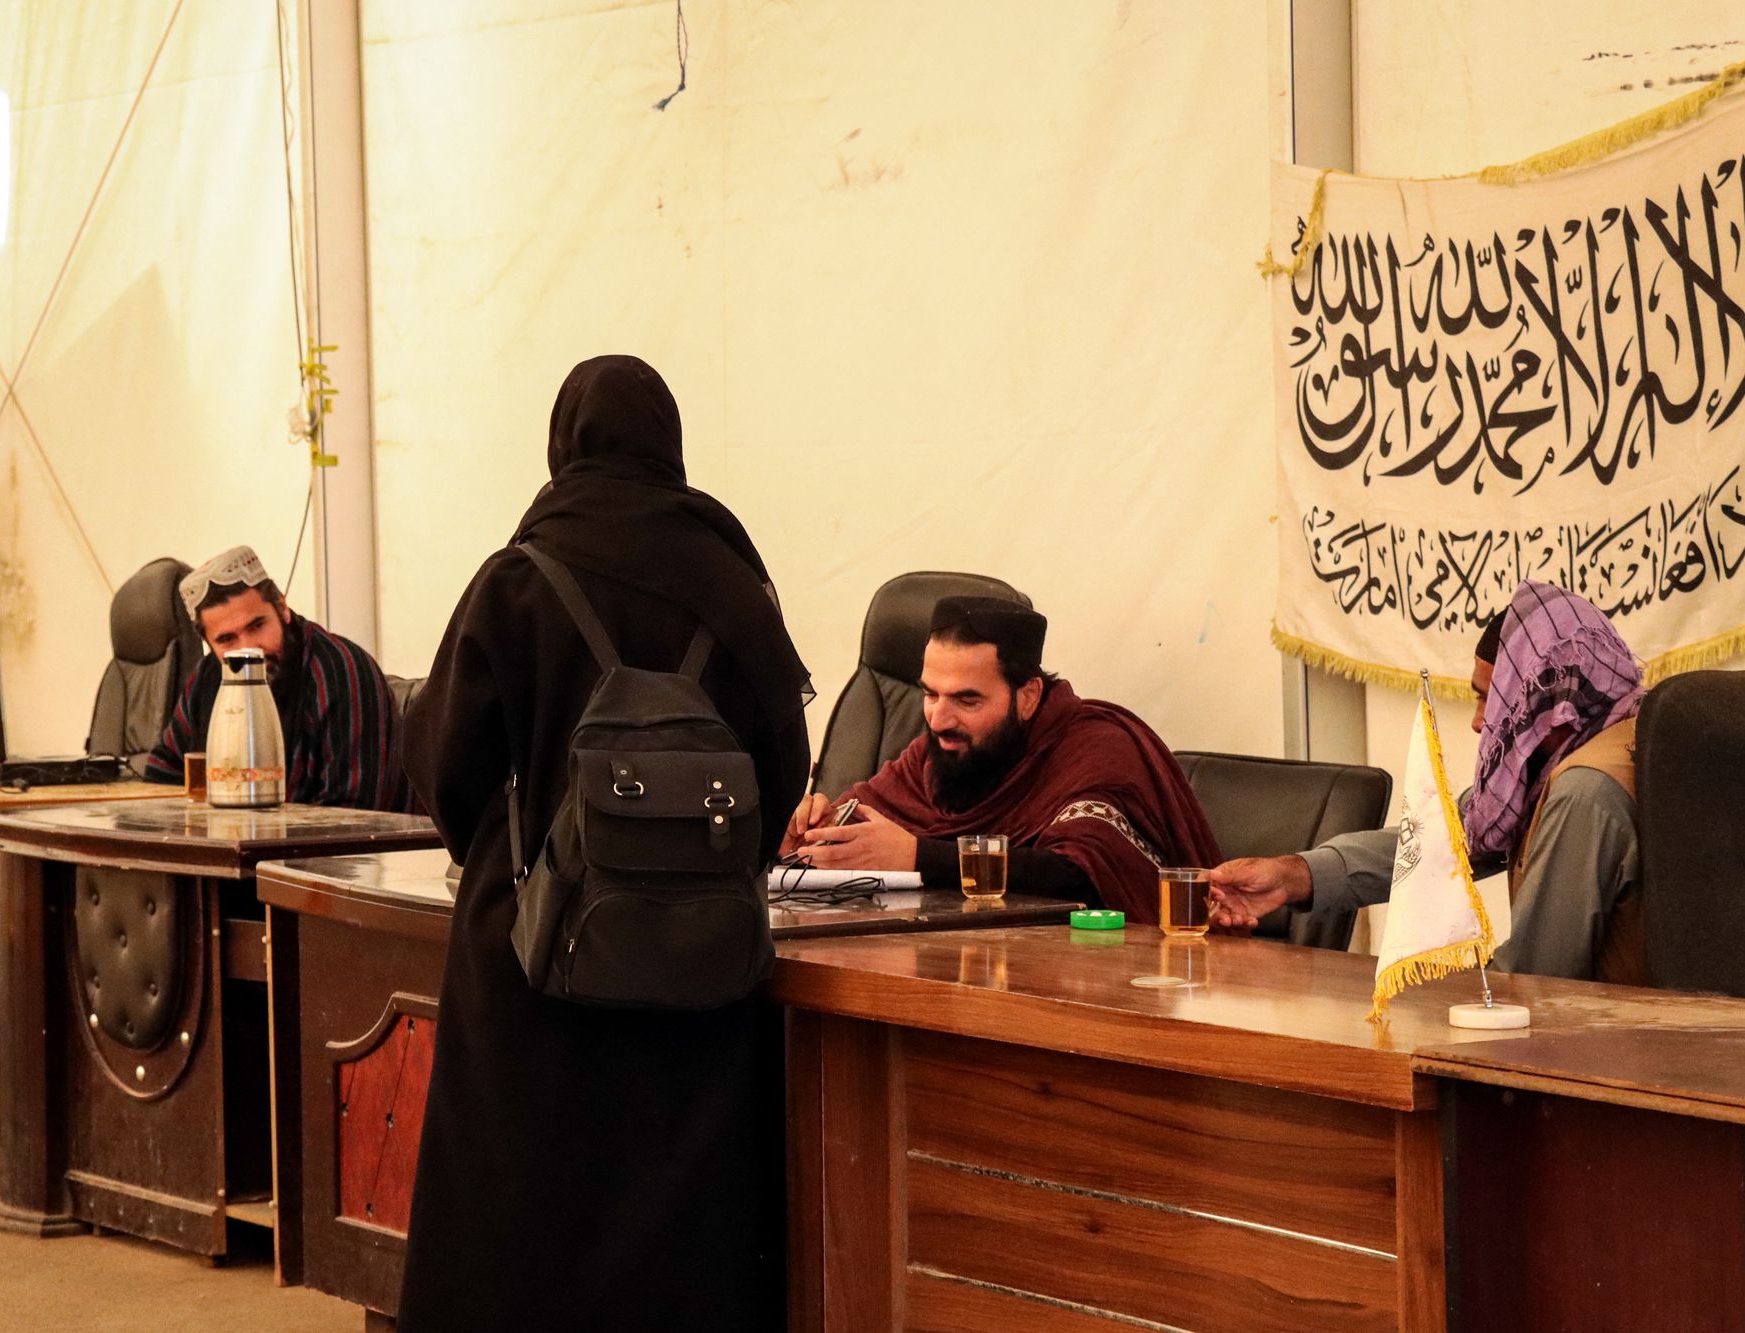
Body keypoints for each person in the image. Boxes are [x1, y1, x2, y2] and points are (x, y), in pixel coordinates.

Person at [397, 356, 812, 1332]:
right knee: (683, 1233)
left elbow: (443, 760)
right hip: (698, 965)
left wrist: (511, 851)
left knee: (518, 1222)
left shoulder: (519, 576)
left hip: (529, 961)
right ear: (668, 445)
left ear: (562, 442)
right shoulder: (731, 579)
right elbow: (782, 764)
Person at [1209, 581, 1646, 982]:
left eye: (1493, 702)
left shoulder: (1584, 790)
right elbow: (1443, 842)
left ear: (1554, 695)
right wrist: (1290, 876)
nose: (1480, 723)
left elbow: (1534, 978)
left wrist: (1410, 993)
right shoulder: (1601, 741)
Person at [786, 595, 1218, 923]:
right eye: (930, 694)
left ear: (1028, 697)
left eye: (966, 700)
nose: (938, 719)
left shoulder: (1095, 747)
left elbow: (1085, 873)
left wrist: (919, 857)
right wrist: (809, 836)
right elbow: (862, 823)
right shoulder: (939, 752)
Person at [144, 545, 408, 811]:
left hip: (323, 851)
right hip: (235, 847)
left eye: (257, 626)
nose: (247, 649)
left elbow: (354, 816)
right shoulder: (209, 676)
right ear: (208, 643)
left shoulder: (342, 671)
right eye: (226, 639)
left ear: (282, 607)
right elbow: (163, 773)